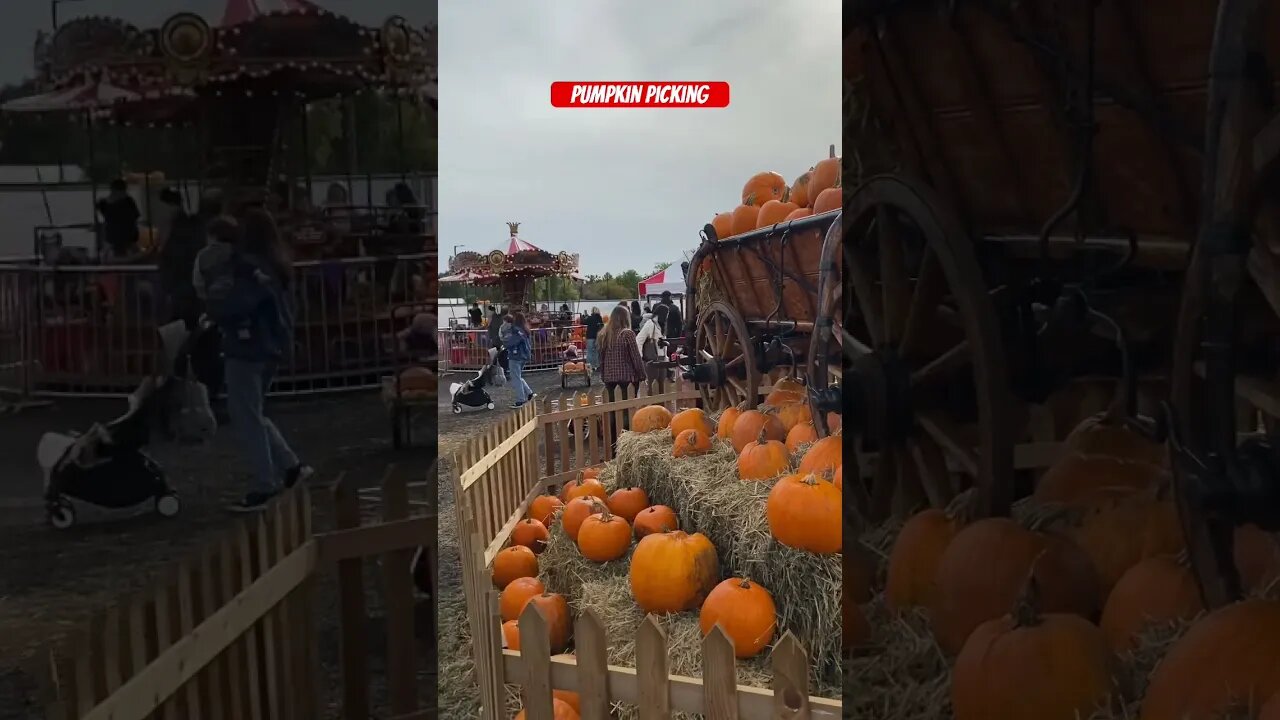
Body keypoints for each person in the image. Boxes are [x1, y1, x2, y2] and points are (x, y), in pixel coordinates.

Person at [205, 210, 313, 512]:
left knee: (246, 415)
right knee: (255, 411)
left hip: (246, 346)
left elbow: (238, 304)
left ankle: (265, 483)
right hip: (269, 347)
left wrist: (216, 309)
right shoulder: (275, 266)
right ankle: (290, 466)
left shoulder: (246, 268)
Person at [597, 305, 647, 445]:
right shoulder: (627, 334)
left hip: (609, 379)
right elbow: (636, 358)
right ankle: (625, 443)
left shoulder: (604, 334)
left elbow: (601, 360)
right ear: (626, 318)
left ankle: (613, 443)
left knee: (612, 412)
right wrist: (642, 375)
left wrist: (604, 375)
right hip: (627, 379)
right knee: (626, 412)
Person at [97, 179, 141, 260]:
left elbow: (135, 217)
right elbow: (135, 216)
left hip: (124, 239)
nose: (125, 193)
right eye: (123, 190)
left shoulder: (127, 201)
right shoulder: (127, 201)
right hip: (120, 239)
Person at [501, 312, 536, 408]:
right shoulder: (525, 330)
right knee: (518, 376)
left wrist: (503, 340)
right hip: (524, 356)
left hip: (516, 356)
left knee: (515, 377)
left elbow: (510, 342)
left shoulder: (516, 331)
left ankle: (520, 400)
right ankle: (529, 393)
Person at [637, 304, 670, 394]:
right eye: (666, 314)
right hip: (652, 359)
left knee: (662, 386)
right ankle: (653, 406)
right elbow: (639, 340)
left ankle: (661, 406)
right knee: (653, 387)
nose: (667, 317)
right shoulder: (650, 324)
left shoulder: (662, 325)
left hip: (662, 359)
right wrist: (641, 357)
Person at [583, 306, 604, 371]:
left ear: (592, 311)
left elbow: (583, 322)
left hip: (590, 336)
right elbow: (602, 326)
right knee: (597, 351)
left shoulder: (590, 318)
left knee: (589, 351)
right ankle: (597, 365)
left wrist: (584, 317)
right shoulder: (599, 318)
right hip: (598, 336)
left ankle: (590, 366)